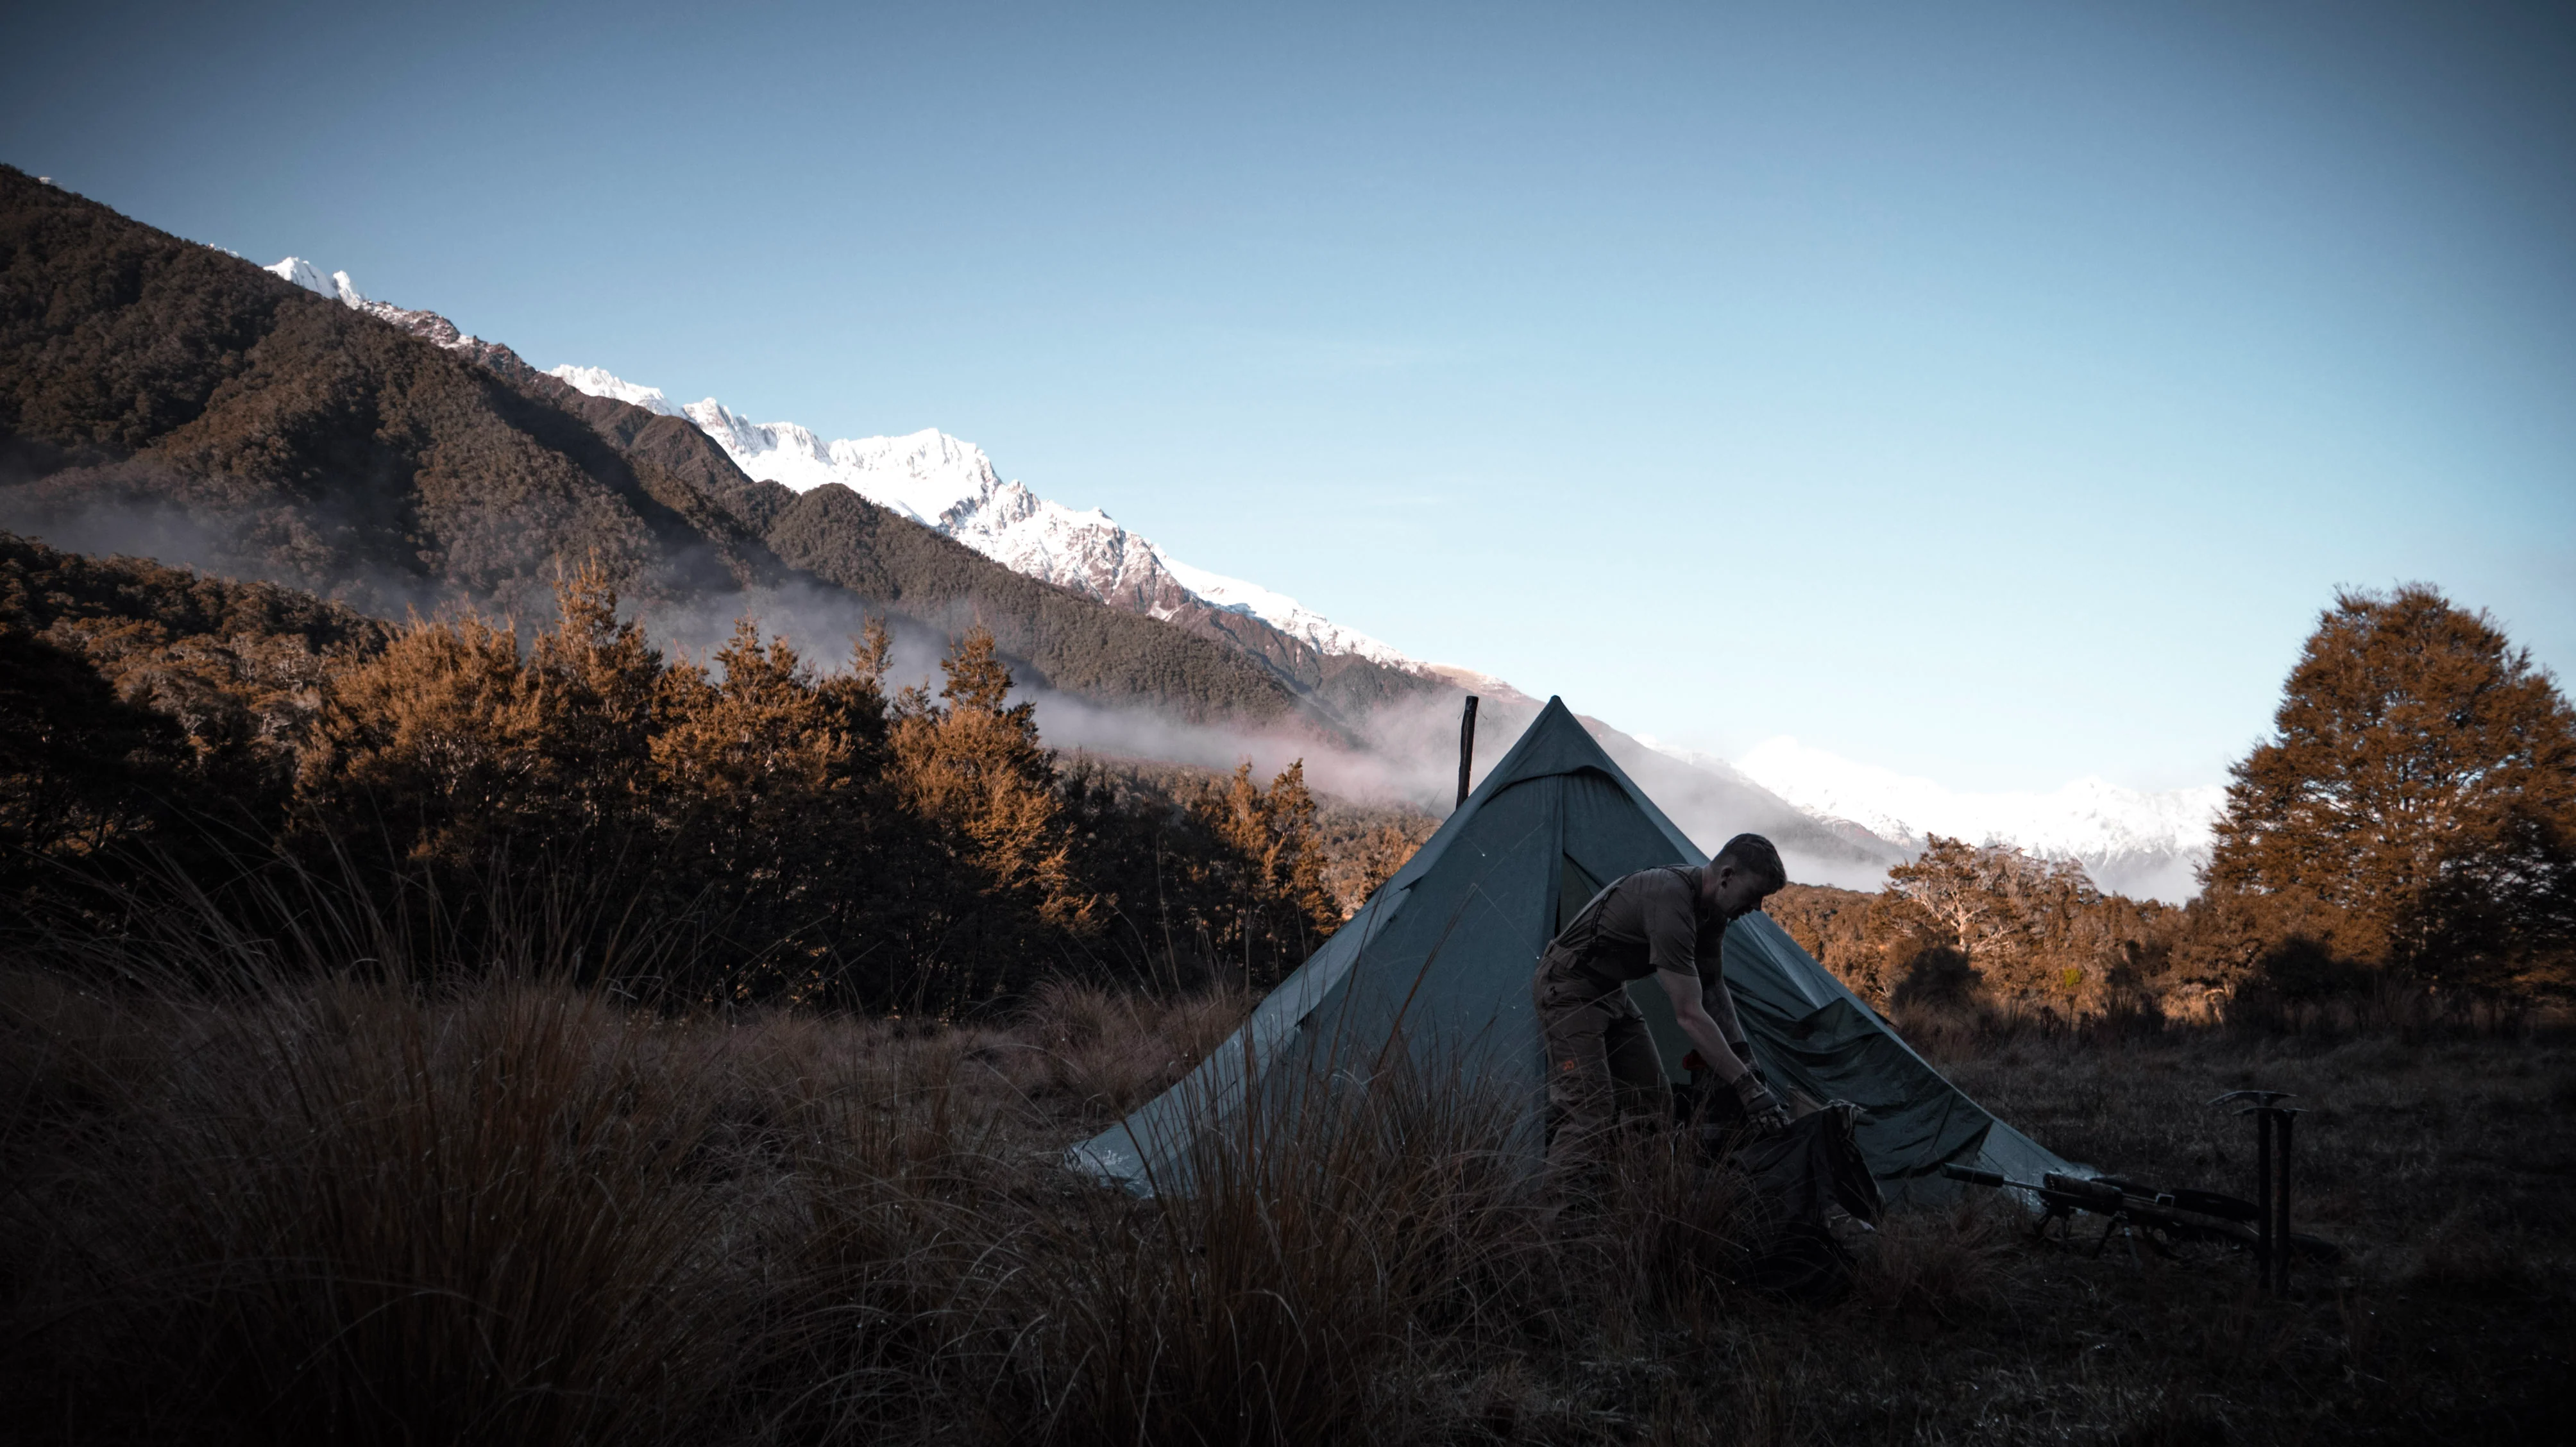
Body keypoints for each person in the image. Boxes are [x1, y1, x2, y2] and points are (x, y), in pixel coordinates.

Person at [1532, 833, 1790, 1180]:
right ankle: (1555, 1226)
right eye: (1755, 894)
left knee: (1653, 1101)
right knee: (1588, 1111)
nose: (1758, 907)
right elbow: (1689, 1015)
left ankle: (1634, 1202)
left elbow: (1713, 986)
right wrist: (1746, 1087)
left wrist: (1745, 1060)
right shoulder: (1671, 898)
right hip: (1567, 986)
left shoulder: (1713, 913)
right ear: (1727, 876)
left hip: (1610, 991)